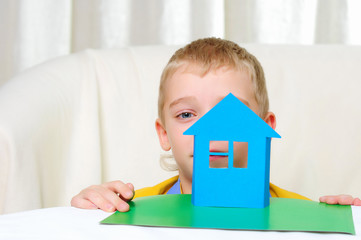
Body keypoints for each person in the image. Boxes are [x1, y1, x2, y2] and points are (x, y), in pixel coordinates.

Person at [71, 38, 361, 212]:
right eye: (186, 115)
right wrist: (90, 211)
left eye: (229, 112)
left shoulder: (300, 212)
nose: (211, 130)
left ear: (263, 126)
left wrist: (350, 221)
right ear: (164, 134)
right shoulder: (134, 209)